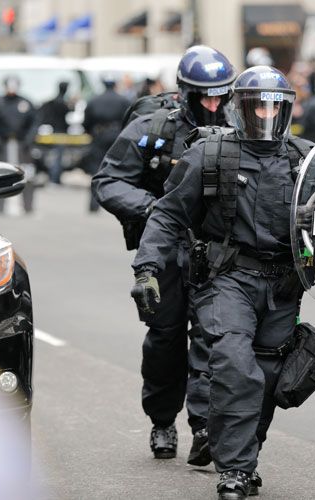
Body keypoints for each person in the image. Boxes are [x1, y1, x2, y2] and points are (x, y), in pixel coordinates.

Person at [131, 66, 314, 500]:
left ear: (286, 109)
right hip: (227, 279)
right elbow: (168, 213)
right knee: (234, 365)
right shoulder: (209, 155)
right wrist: (147, 269)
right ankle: (233, 470)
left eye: (275, 105)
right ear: (239, 109)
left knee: (270, 379)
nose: (265, 114)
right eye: (256, 105)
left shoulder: (305, 160)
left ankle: (243, 458)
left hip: (284, 286)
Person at [93, 45, 237, 467]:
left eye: (220, 96)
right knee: (165, 338)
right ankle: (161, 420)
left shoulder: (239, 125)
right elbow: (108, 181)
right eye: (204, 96)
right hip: (167, 247)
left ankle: (205, 427)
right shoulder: (152, 127)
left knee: (213, 339)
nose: (213, 104)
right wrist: (152, 207)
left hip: (218, 250)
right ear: (186, 93)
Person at [0, 76, 37, 214]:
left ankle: (28, 206)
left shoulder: (25, 103)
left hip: (22, 145)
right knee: (0, 176)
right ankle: (0, 206)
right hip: (2, 144)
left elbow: (34, 123)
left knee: (27, 174)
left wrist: (28, 139)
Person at [84, 77, 131, 211]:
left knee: (96, 170)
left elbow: (86, 121)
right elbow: (130, 118)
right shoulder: (123, 100)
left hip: (99, 135)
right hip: (117, 136)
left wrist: (91, 132)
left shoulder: (94, 100)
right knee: (117, 169)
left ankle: (94, 204)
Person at [37, 81, 71, 184]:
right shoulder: (62, 103)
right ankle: (54, 178)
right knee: (57, 157)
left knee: (55, 157)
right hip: (59, 132)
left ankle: (55, 177)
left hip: (53, 131)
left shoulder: (53, 101)